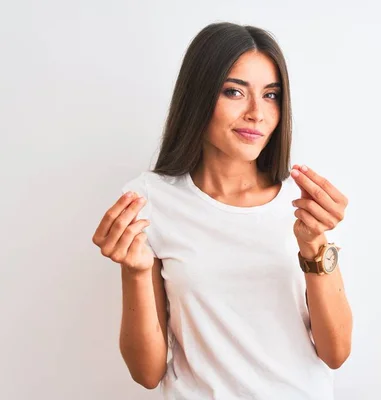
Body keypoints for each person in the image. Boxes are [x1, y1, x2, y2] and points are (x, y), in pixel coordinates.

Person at [92, 22, 353, 400]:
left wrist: (314, 247)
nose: (257, 113)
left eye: (271, 95)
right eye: (234, 92)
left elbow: (336, 352)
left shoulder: (304, 202)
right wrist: (134, 271)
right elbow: (147, 374)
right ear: (198, 97)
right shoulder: (149, 200)